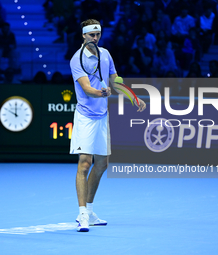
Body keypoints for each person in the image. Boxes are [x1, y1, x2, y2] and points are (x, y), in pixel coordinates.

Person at [69, 19, 146, 232]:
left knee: (102, 164)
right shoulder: (77, 60)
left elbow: (115, 80)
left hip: (102, 116)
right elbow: (86, 89)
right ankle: (82, 213)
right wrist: (102, 92)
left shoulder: (106, 54)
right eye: (91, 35)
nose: (95, 38)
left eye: (98, 34)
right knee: (85, 163)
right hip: (85, 117)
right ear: (83, 35)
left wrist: (132, 97)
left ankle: (91, 210)